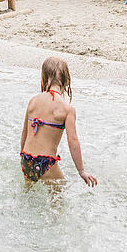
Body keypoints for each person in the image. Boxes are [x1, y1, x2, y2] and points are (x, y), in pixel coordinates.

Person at [19, 57, 97, 187]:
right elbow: (73, 141)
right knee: (60, 192)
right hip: (46, 163)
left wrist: (24, 158)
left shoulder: (33, 101)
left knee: (28, 192)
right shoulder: (67, 109)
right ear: (67, 81)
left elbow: (24, 134)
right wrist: (81, 171)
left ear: (43, 79)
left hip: (27, 159)